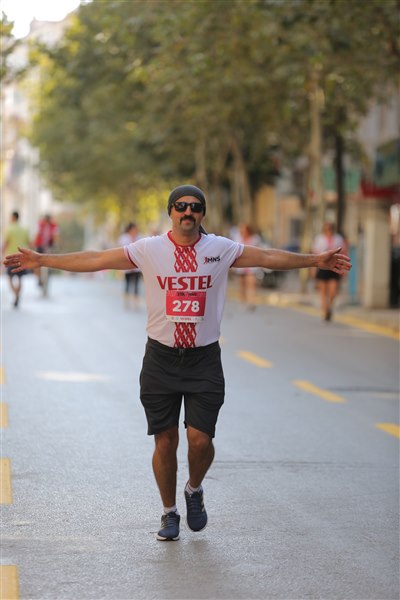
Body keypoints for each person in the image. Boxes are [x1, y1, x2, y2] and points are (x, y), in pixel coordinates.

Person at [3, 184, 352, 541]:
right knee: (165, 440)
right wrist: (43, 260)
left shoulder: (220, 249)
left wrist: (315, 260)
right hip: (161, 358)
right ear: (170, 211)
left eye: (195, 207)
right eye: (181, 206)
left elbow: (266, 256)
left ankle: (194, 488)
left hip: (204, 359)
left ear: (202, 214)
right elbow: (96, 259)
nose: (188, 212)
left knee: (200, 440)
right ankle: (169, 512)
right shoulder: (149, 249)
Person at [312, 222, 346, 321]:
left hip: (335, 266)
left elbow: (344, 252)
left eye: (330, 228)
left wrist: (344, 268)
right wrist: (313, 269)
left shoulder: (338, 239)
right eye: (327, 229)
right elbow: (314, 254)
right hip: (322, 267)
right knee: (323, 291)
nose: (329, 230)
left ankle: (329, 306)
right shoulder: (319, 239)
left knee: (333, 290)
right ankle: (325, 310)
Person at [2, 211, 31, 308]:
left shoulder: (9, 229)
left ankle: (15, 294)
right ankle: (18, 295)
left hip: (11, 257)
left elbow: (6, 243)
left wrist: (2, 254)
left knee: (10, 278)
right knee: (20, 278)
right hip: (22, 257)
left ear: (13, 217)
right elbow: (29, 243)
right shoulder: (24, 229)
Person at [234, 223, 262, 309]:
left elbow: (259, 251)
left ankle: (252, 302)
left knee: (251, 285)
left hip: (251, 266)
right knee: (242, 285)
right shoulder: (238, 238)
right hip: (241, 266)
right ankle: (242, 302)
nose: (242, 231)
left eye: (244, 229)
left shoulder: (255, 239)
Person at [118, 222, 141, 309]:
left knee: (136, 285)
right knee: (127, 284)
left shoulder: (140, 238)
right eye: (133, 229)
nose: (135, 231)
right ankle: (126, 302)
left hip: (137, 266)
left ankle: (135, 303)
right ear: (130, 229)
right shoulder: (123, 238)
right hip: (127, 266)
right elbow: (121, 252)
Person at [34, 214, 59, 288]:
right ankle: (39, 278)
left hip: (49, 246)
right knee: (36, 262)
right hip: (40, 245)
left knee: (51, 261)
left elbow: (55, 236)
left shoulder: (54, 226)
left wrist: (55, 245)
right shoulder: (40, 224)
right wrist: (35, 244)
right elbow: (37, 235)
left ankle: (49, 273)